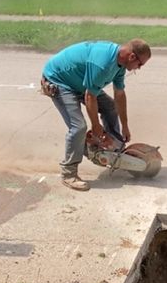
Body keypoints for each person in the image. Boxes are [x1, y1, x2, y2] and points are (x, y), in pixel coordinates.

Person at [41, 38, 151, 190]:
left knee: (110, 107)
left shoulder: (120, 64)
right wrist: (96, 126)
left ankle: (113, 148)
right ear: (132, 56)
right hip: (61, 81)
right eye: (140, 64)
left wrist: (125, 126)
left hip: (81, 82)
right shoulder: (103, 64)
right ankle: (69, 173)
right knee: (78, 127)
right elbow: (90, 96)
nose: (138, 68)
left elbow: (119, 95)